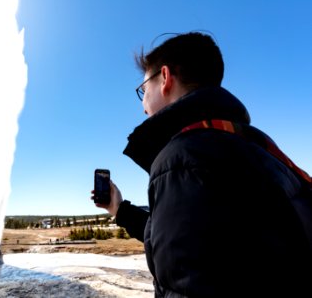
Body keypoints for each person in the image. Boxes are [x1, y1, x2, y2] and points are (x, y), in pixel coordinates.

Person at [93, 32, 312, 297]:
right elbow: (181, 238)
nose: (143, 106)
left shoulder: (184, 158)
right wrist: (119, 209)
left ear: (164, 78)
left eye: (143, 91)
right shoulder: (258, 147)